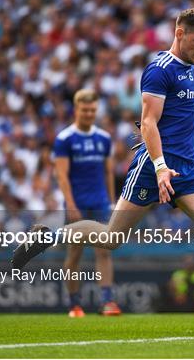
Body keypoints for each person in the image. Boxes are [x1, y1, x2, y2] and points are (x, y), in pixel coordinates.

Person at [12, 8, 194, 331]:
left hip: (188, 169)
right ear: (179, 33)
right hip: (153, 168)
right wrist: (161, 167)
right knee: (111, 238)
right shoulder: (158, 70)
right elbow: (148, 122)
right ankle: (46, 237)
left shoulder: (190, 68)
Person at [52, 89, 121, 317]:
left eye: (93, 110)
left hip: (100, 202)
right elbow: (62, 175)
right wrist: (70, 204)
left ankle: (107, 301)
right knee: (75, 253)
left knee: (104, 250)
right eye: (85, 110)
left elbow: (109, 172)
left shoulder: (103, 138)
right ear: (76, 110)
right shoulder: (65, 139)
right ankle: (74, 304)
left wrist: (111, 203)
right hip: (77, 203)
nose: (89, 113)